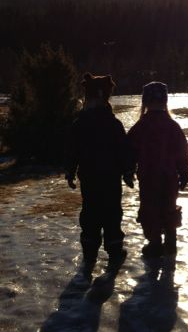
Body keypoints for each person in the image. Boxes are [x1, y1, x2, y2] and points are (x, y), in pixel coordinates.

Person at [65, 72, 133, 273]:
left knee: (90, 215)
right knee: (112, 215)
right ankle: (114, 252)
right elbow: (123, 150)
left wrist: (70, 171)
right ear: (106, 97)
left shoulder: (79, 124)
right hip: (111, 180)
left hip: (89, 180)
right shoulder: (113, 124)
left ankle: (89, 254)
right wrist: (128, 171)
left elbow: (72, 151)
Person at [127, 81, 188, 257]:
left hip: (148, 177)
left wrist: (128, 170)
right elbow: (182, 150)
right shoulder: (172, 126)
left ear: (145, 103)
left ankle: (155, 243)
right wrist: (184, 172)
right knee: (168, 207)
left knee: (150, 209)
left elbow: (129, 149)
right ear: (165, 102)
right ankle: (171, 242)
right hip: (169, 177)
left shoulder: (141, 126)